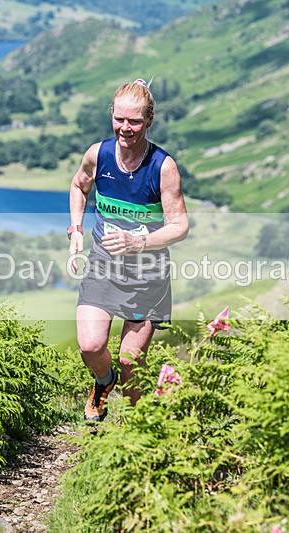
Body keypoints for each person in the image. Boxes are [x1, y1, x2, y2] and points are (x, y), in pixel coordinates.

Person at [68, 79, 189, 422]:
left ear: (149, 120)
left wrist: (140, 242)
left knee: (130, 363)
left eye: (134, 121)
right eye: (119, 119)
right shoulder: (98, 154)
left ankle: (134, 435)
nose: (125, 128)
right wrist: (76, 229)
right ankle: (103, 383)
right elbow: (79, 186)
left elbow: (180, 225)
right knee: (91, 346)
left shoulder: (163, 167)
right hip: (103, 266)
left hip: (147, 275)